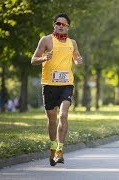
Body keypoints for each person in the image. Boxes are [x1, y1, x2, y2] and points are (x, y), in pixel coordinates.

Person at [31, 13, 83, 166]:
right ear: (54, 25)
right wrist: (44, 58)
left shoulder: (72, 42)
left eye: (64, 24)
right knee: (52, 120)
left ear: (68, 27)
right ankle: (53, 147)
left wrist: (78, 60)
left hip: (66, 85)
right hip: (49, 85)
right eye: (58, 24)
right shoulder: (46, 40)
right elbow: (33, 59)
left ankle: (60, 150)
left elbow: (76, 58)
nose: (60, 26)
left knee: (63, 115)